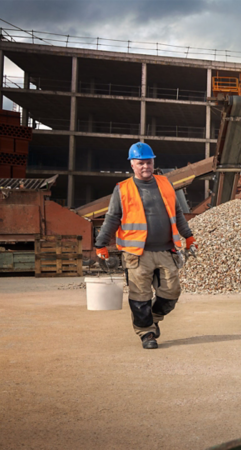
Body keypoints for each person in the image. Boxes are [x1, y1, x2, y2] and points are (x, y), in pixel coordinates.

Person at [95, 142, 196, 350]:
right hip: (136, 253)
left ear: (153, 162)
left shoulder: (165, 183)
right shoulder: (122, 189)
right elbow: (112, 218)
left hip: (166, 249)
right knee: (139, 296)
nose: (145, 167)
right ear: (132, 164)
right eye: (140, 163)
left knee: (172, 292)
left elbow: (176, 213)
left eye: (148, 162)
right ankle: (146, 333)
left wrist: (189, 236)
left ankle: (153, 318)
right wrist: (101, 244)